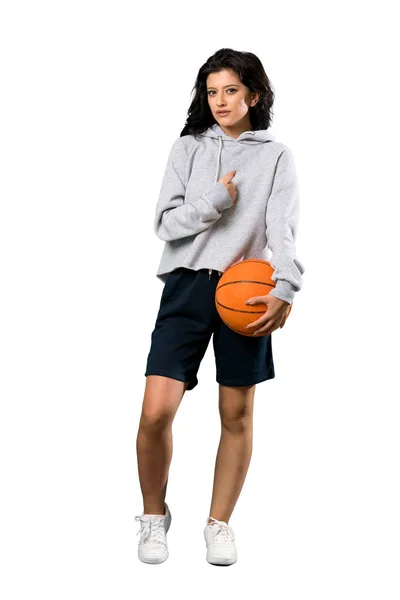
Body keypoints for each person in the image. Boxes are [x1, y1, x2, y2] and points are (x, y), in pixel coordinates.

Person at [134, 48, 305, 566]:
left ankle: (219, 523)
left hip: (246, 291)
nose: (220, 101)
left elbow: (283, 229)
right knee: (155, 412)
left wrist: (286, 288)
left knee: (236, 414)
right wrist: (214, 202)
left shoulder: (275, 156)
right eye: (212, 92)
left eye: (231, 90)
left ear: (254, 95)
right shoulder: (186, 149)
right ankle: (153, 516)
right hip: (186, 289)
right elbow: (165, 225)